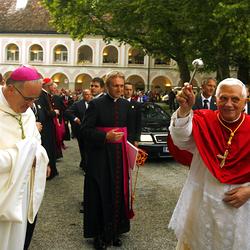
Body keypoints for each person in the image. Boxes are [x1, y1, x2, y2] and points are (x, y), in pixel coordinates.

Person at [168, 78, 250, 250]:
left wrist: (249, 191)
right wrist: (185, 109)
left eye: (235, 99)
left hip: (240, 210)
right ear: (216, 99)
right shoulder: (203, 120)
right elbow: (181, 139)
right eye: (223, 98)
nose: (228, 104)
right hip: (203, 205)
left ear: (245, 101)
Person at [81, 72, 135, 249]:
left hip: (120, 156)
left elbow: (130, 131)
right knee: (100, 192)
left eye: (122, 85)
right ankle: (99, 234)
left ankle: (115, 231)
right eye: (115, 86)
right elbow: (84, 131)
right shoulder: (96, 104)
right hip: (100, 156)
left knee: (119, 191)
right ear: (107, 87)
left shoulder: (127, 105)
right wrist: (105, 136)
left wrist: (134, 149)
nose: (119, 89)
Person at [0, 65, 48, 250]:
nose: (31, 105)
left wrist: (39, 158)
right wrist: (25, 156)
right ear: (11, 89)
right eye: (28, 98)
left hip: (23, 192)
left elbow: (36, 143)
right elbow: (28, 151)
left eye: (35, 99)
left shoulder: (26, 111)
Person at [35, 78, 59, 179]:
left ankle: (52, 169)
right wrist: (55, 112)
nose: (52, 87)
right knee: (48, 147)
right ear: (47, 86)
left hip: (49, 126)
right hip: (46, 127)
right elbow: (44, 113)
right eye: (51, 85)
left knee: (51, 147)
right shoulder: (42, 95)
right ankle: (49, 171)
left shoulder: (45, 95)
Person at [66, 88, 92, 169]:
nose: (88, 96)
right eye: (86, 94)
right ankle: (85, 165)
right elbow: (67, 112)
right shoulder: (77, 104)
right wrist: (75, 119)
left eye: (89, 94)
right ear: (83, 95)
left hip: (92, 130)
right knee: (83, 148)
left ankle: (85, 163)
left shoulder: (95, 103)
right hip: (81, 130)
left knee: (90, 148)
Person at [124, 82, 142, 147]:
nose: (128, 92)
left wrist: (137, 139)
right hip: (120, 136)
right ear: (123, 90)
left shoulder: (137, 105)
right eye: (126, 89)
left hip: (131, 138)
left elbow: (138, 123)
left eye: (130, 90)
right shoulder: (118, 103)